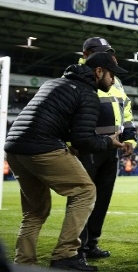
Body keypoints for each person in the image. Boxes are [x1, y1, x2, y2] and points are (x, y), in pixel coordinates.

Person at [4, 52, 127, 271]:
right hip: (42, 146)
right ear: (99, 71)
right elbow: (83, 138)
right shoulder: (88, 93)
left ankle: (24, 262)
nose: (113, 80)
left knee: (34, 211)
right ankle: (66, 255)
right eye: (112, 75)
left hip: (14, 147)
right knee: (85, 190)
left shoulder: (54, 83)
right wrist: (108, 142)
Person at [76, 37, 137, 260]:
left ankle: (91, 244)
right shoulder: (78, 75)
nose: (108, 55)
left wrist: (129, 139)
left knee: (102, 199)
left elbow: (126, 112)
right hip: (88, 147)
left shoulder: (115, 80)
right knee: (83, 199)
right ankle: (77, 248)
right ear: (85, 54)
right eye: (100, 52)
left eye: (108, 51)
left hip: (112, 148)